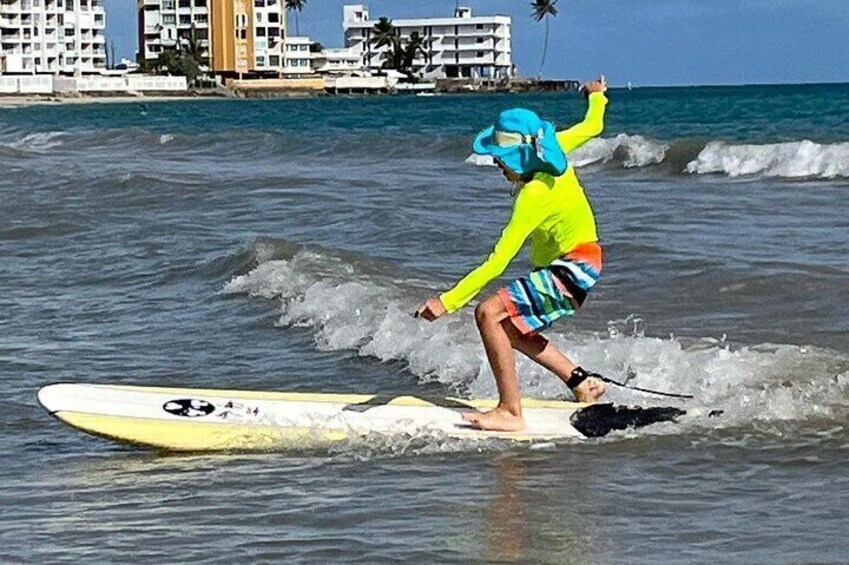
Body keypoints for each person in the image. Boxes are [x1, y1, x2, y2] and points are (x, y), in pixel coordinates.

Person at [415, 77, 610, 432]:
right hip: (582, 262)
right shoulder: (556, 149)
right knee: (509, 327)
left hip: (574, 266)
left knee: (487, 313)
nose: (498, 167)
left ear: (520, 158)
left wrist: (448, 301)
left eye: (501, 160)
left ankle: (510, 411)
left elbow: (497, 261)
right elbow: (593, 125)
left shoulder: (532, 195)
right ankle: (582, 383)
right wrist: (597, 97)